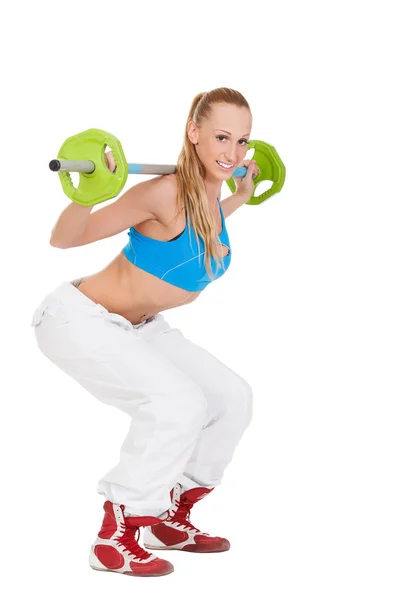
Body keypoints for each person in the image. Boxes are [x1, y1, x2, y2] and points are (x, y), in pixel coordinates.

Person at [31, 87, 260, 578]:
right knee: (177, 404)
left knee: (232, 399)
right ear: (193, 133)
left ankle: (166, 517)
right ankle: (117, 532)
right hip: (78, 320)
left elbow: (197, 231)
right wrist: (85, 196)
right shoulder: (161, 190)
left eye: (242, 142)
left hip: (139, 328)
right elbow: (65, 238)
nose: (233, 153)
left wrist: (240, 194)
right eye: (221, 137)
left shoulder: (212, 191)